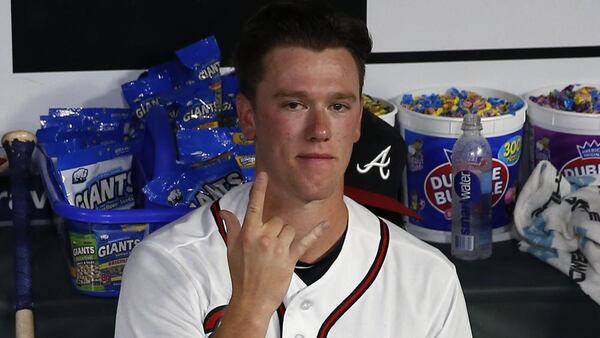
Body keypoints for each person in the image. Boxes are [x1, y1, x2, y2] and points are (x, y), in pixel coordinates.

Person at [115, 1, 472, 337]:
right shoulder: (165, 266)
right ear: (248, 117)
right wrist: (250, 310)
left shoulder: (427, 277)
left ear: (358, 121)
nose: (319, 130)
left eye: (338, 106)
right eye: (294, 104)